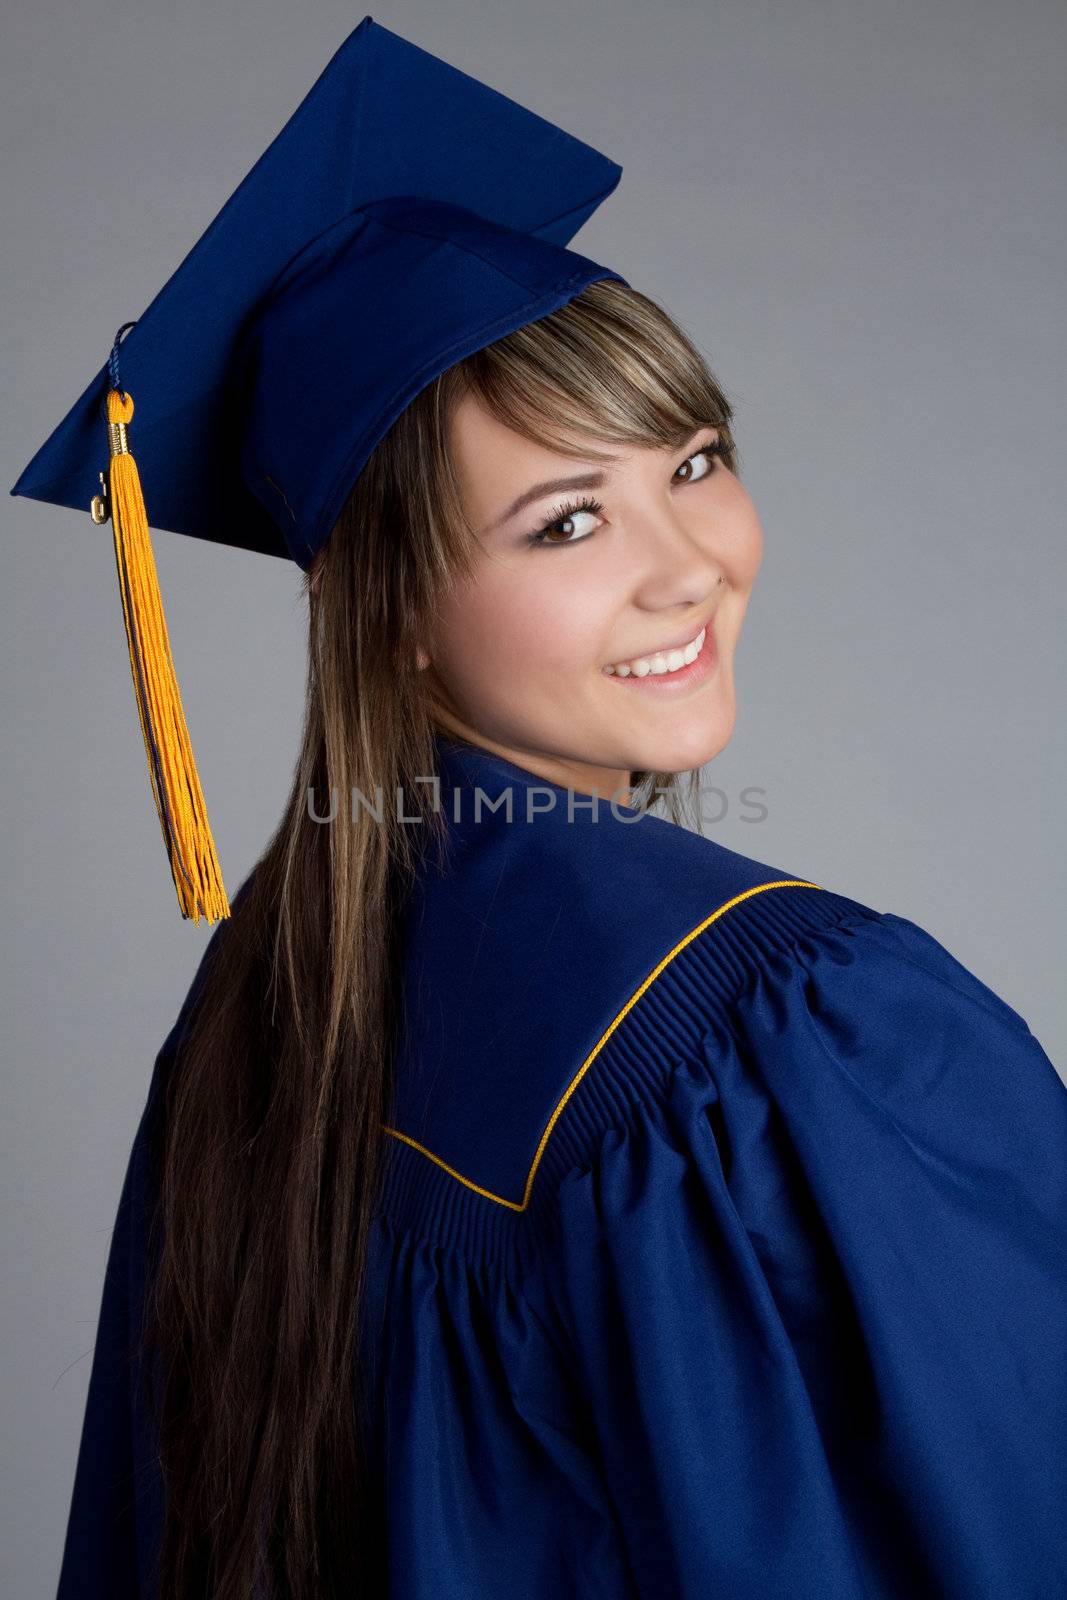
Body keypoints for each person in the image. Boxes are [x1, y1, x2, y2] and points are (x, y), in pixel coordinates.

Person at [13, 17, 1066, 1600]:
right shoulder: (770, 1034)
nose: (687, 563)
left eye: (694, 461)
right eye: (566, 519)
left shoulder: (261, 1007)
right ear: (397, 616)